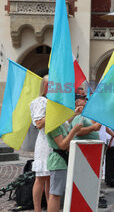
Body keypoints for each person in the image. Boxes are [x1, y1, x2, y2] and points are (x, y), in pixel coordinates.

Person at [46, 122, 82, 212]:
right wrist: (73, 131)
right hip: (58, 161)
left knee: (56, 194)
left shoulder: (59, 124)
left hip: (61, 160)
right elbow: (62, 145)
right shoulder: (54, 126)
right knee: (55, 194)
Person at [30, 75, 52, 212]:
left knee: (51, 179)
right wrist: (54, 113)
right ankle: (37, 209)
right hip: (44, 142)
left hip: (54, 142)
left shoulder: (51, 101)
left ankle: (51, 208)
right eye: (49, 84)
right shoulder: (40, 101)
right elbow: (39, 124)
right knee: (41, 177)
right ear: (43, 86)